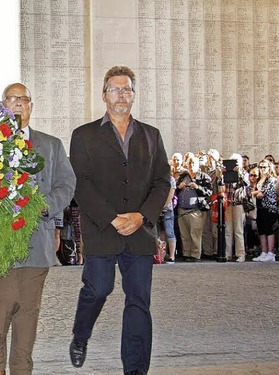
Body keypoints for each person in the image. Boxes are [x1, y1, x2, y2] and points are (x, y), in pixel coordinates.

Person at [68, 66, 170, 375]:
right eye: (115, 89)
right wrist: (112, 219)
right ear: (104, 96)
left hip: (140, 233)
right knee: (97, 289)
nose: (121, 94)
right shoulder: (83, 135)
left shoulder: (151, 135)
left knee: (138, 301)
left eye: (127, 89)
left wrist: (142, 217)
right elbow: (80, 183)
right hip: (102, 229)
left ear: (134, 95)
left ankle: (135, 370)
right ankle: (80, 336)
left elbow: (162, 182)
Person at [0, 83, 76, 375]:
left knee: (28, 316)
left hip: (38, 242)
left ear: (31, 106)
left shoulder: (51, 145)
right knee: (0, 309)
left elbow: (66, 184)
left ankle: (22, 370)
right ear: (3, 105)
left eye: (24, 99)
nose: (19, 104)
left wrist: (42, 206)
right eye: (13, 99)